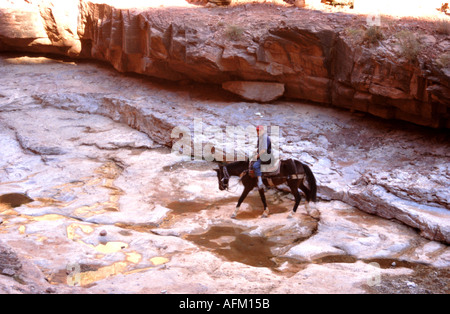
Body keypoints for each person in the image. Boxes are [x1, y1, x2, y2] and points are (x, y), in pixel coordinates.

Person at [253, 125, 272, 190]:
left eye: (259, 131)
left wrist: (257, 156)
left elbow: (264, 150)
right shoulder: (260, 137)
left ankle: (260, 183)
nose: (258, 132)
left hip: (266, 156)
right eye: (257, 131)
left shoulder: (264, 137)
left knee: (255, 165)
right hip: (263, 155)